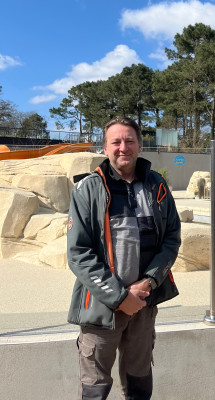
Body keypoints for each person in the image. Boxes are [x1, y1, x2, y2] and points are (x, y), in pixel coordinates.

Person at [67, 116, 181, 400]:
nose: (123, 147)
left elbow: (171, 238)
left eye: (129, 141)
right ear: (105, 148)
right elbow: (79, 253)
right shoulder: (88, 189)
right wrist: (119, 297)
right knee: (94, 388)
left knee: (139, 384)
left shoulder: (157, 186)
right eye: (115, 142)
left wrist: (149, 282)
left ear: (140, 145)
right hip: (101, 308)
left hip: (144, 303)